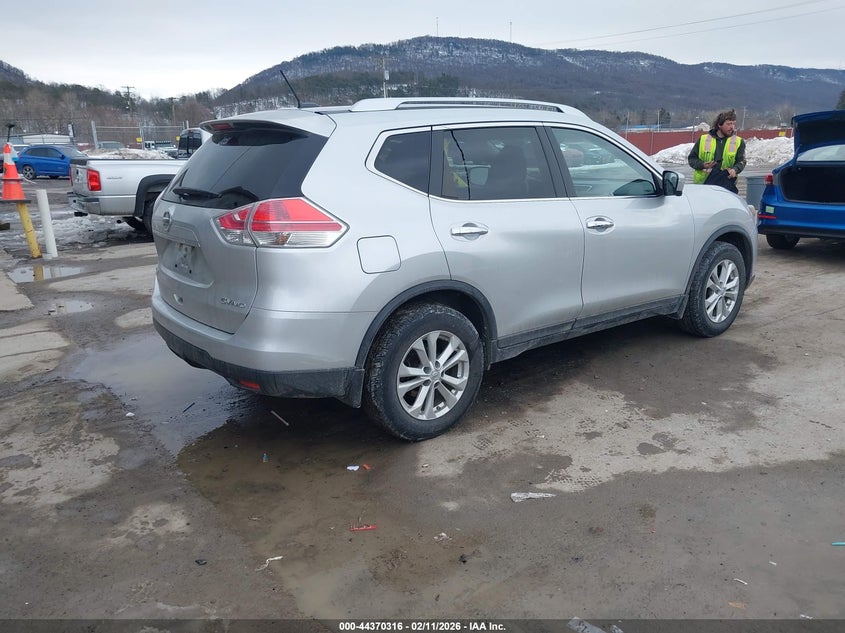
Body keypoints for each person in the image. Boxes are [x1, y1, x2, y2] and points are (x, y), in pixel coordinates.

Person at [687, 109, 746, 193]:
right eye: (728, 124)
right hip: (703, 187)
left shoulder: (738, 142)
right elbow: (692, 159)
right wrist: (703, 165)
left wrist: (735, 170)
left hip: (727, 186)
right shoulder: (703, 139)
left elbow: (742, 161)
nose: (732, 127)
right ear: (719, 125)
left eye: (733, 123)